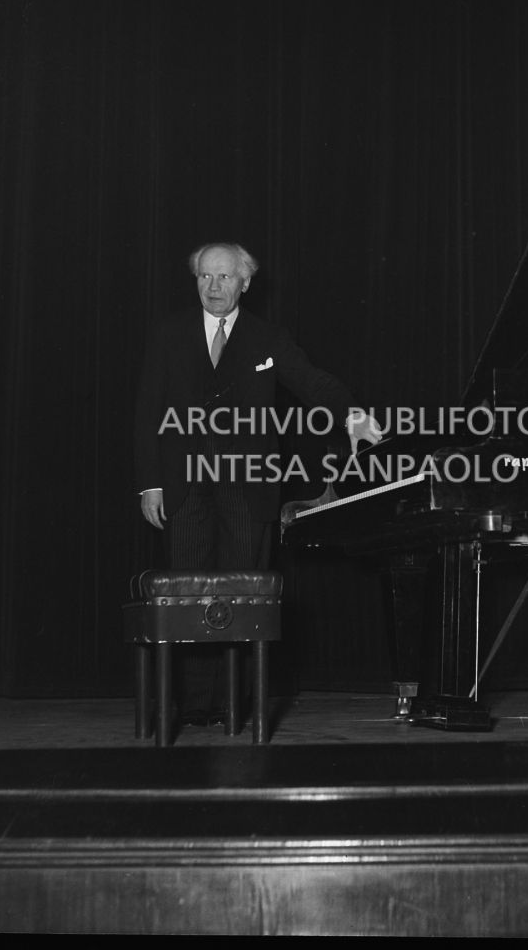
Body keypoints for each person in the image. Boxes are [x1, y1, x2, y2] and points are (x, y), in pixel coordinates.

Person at [134, 241, 380, 723]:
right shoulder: (168, 334)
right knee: (191, 596)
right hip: (183, 489)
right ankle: (196, 705)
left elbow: (312, 382)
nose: (214, 286)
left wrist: (351, 415)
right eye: (206, 276)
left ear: (245, 282)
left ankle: (233, 705)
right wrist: (149, 484)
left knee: (241, 599)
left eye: (225, 277)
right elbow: (147, 412)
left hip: (248, 489)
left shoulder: (268, 338)